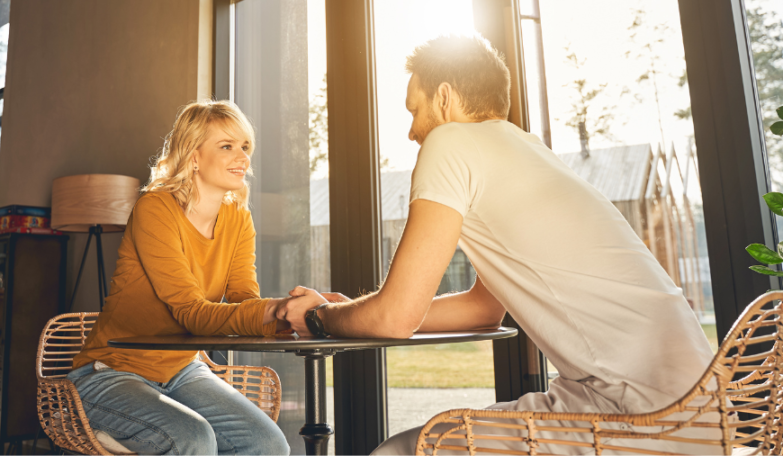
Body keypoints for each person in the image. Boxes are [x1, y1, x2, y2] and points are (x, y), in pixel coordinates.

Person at [277, 35, 717, 455]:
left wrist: (318, 318)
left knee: (399, 451)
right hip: (700, 414)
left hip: (637, 416)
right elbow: (482, 309)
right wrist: (356, 311)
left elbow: (395, 318)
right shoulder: (527, 150)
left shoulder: (449, 142)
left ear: (445, 97)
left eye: (415, 110)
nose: (412, 131)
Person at [68, 101, 293, 456]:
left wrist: (288, 314)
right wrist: (275, 312)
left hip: (182, 368)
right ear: (193, 156)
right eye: (227, 146)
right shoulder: (155, 209)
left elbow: (243, 301)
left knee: (268, 444)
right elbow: (190, 311)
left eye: (245, 146)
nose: (243, 157)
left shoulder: (238, 219)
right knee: (193, 438)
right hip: (110, 372)